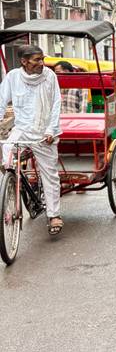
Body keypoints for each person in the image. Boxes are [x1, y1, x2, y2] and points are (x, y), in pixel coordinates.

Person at [0, 45, 63, 236]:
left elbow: (56, 104)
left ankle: (53, 215)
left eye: (42, 59)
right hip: (22, 130)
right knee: (6, 152)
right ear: (24, 61)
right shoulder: (12, 77)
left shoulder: (50, 76)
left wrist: (51, 130)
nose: (41, 63)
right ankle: (12, 182)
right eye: (36, 60)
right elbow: (1, 101)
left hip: (45, 132)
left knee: (50, 174)